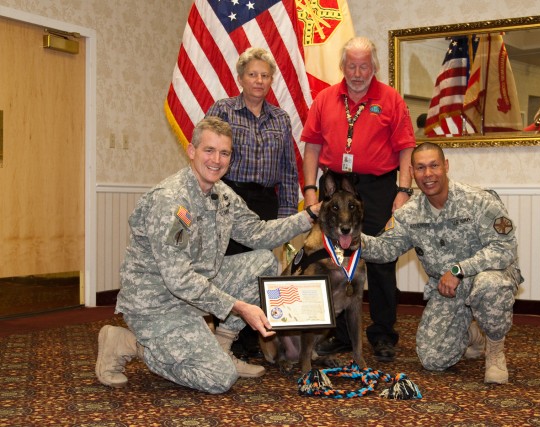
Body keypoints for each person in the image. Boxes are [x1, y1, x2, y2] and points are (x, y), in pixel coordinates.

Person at [95, 117, 320, 394]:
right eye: (209, 151)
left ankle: (221, 348)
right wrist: (239, 306)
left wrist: (309, 215)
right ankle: (130, 343)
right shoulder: (173, 201)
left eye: (224, 153)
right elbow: (178, 280)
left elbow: (259, 234)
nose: (217, 160)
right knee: (218, 378)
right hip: (156, 304)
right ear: (192, 151)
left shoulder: (222, 195)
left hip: (195, 289)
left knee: (264, 261)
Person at [360, 142, 524, 384]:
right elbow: (384, 249)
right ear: (412, 173)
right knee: (433, 360)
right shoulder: (409, 213)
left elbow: (503, 249)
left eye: (434, 166)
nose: (428, 174)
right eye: (421, 168)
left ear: (446, 166)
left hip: (487, 276)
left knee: (490, 284)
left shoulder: (479, 201)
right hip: (448, 291)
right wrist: (351, 239)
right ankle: (473, 335)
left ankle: (495, 350)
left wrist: (459, 269)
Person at [301, 36, 416, 362]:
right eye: (351, 65)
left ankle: (382, 335)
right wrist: (310, 190)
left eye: (363, 65)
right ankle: (339, 335)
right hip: (336, 187)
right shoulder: (325, 98)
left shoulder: (391, 99)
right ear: (342, 66)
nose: (357, 72)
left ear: (374, 66)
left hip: (379, 187)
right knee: (331, 261)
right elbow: (311, 146)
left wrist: (403, 191)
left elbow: (406, 146)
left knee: (379, 260)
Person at [205, 47, 299, 359]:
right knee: (229, 269)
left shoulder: (281, 119)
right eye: (252, 74)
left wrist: (286, 218)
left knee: (260, 269)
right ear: (241, 78)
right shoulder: (224, 111)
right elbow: (210, 156)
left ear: (272, 80)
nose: (258, 80)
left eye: (264, 75)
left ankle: (250, 337)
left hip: (265, 202)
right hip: (229, 197)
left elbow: (288, 170)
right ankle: (228, 338)